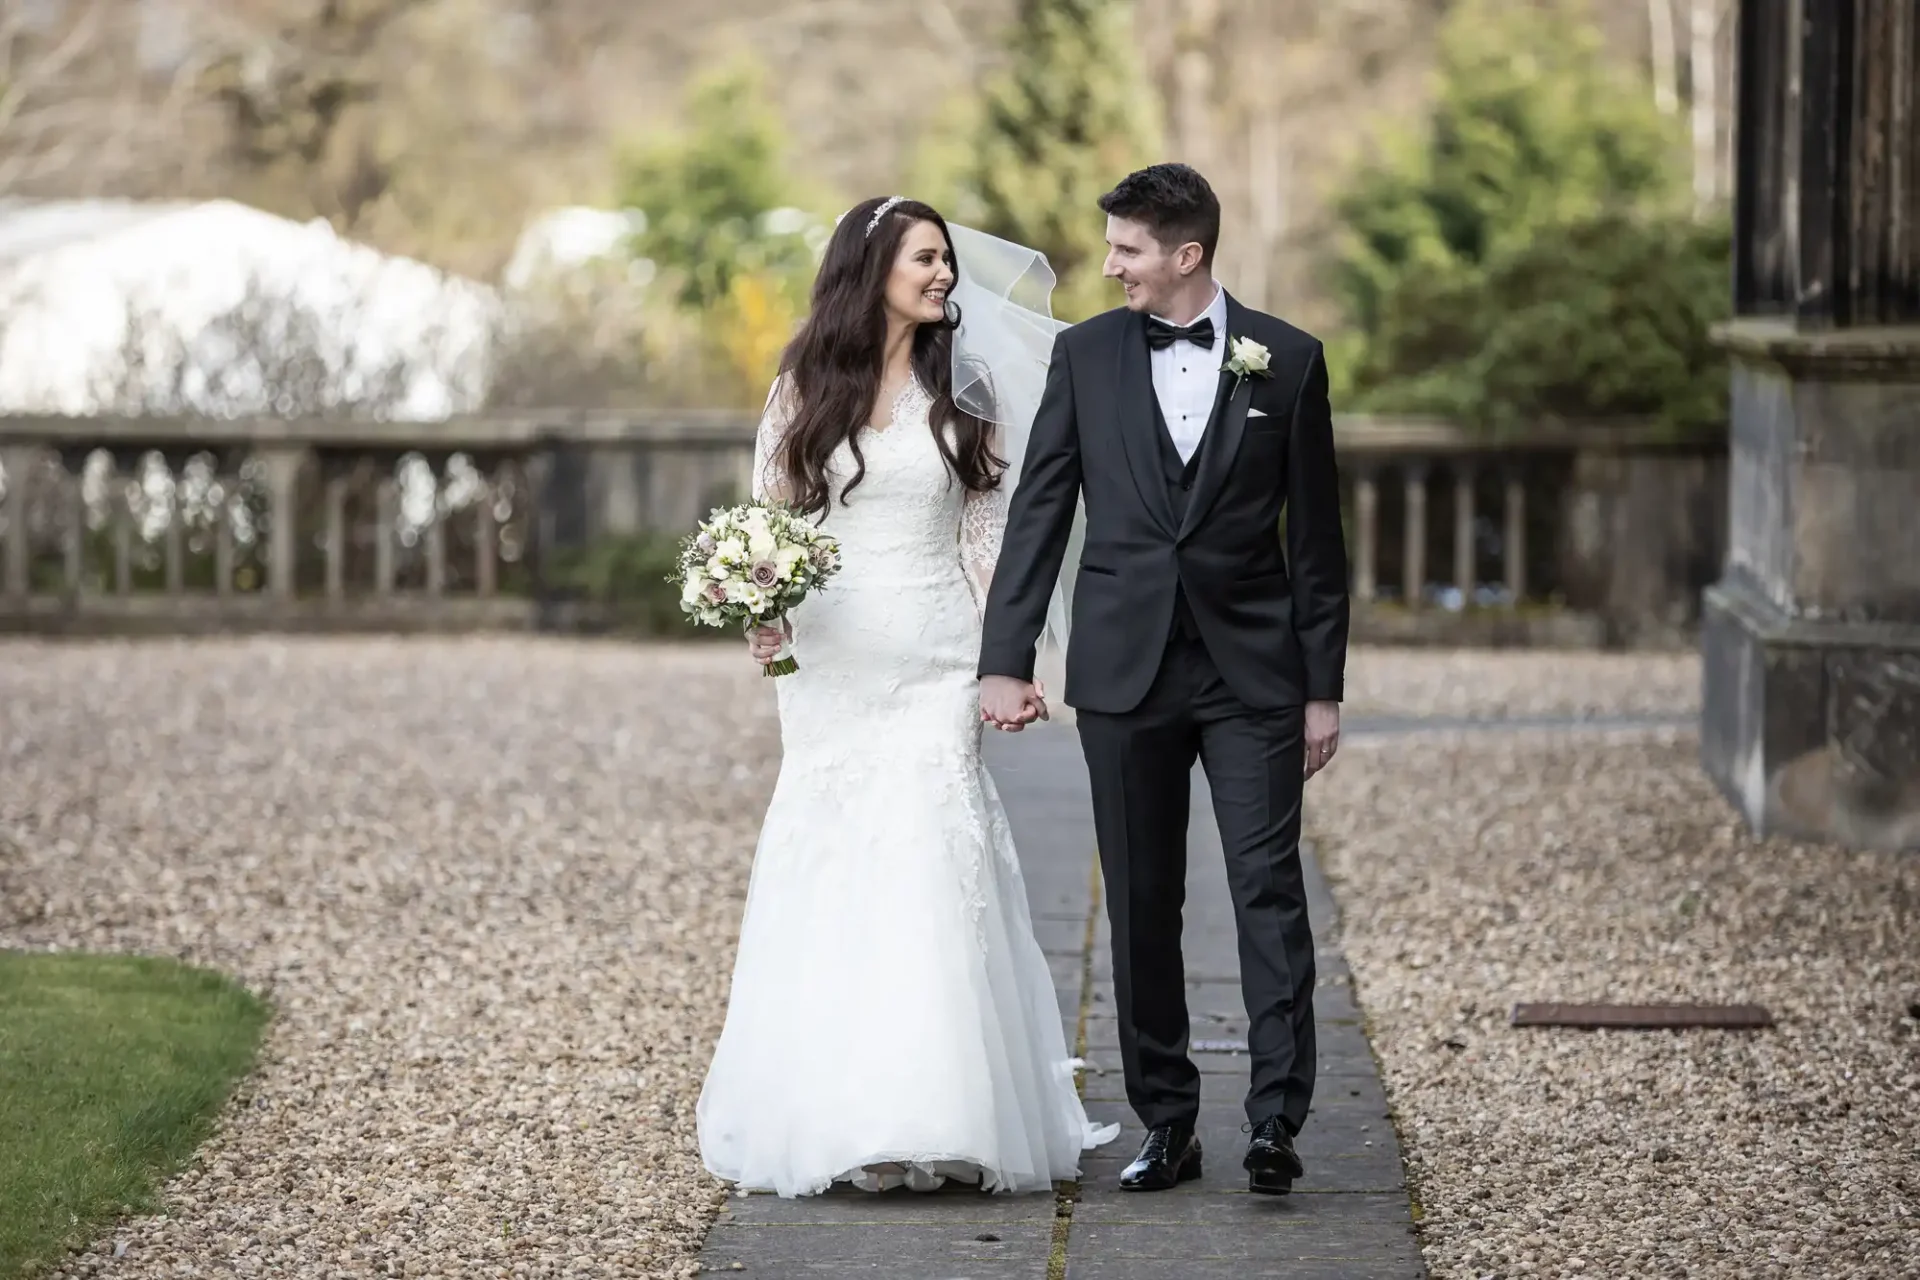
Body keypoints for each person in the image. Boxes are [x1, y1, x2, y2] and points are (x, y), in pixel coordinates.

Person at [695, 196, 1117, 1197]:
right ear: (874, 264)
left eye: (944, 260)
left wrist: (1004, 663)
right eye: (925, 258)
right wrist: (765, 604)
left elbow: (991, 538)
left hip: (935, 656)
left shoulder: (964, 392)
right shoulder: (804, 387)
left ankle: (944, 1109)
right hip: (833, 665)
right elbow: (777, 522)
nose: (942, 275)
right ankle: (848, 1111)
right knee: (837, 861)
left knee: (932, 854)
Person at [977, 164, 1351, 1196]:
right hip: (1123, 669)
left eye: (1128, 249)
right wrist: (1005, 658)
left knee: (1268, 890)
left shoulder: (1292, 362)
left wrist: (1324, 688)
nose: (1110, 265)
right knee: (1139, 900)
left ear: (1186, 254)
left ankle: (1276, 1120)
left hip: (1255, 674)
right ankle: (1168, 1120)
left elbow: (1317, 544)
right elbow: (1040, 510)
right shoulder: (1086, 354)